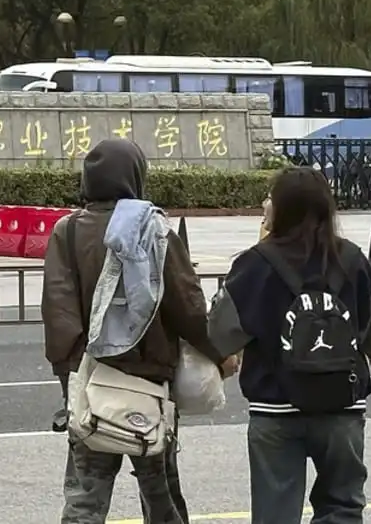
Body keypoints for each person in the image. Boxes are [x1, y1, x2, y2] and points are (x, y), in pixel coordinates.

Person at [42, 138, 237, 524]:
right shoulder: (155, 230)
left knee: (85, 500)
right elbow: (188, 307)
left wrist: (72, 377)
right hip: (150, 386)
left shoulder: (67, 231)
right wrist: (220, 353)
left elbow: (58, 311)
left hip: (92, 384)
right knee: (161, 494)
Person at [209, 167, 371, 524]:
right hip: (341, 406)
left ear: (281, 208)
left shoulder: (254, 264)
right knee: (343, 505)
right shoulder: (353, 260)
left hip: (275, 407)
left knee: (275, 512)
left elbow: (219, 335)